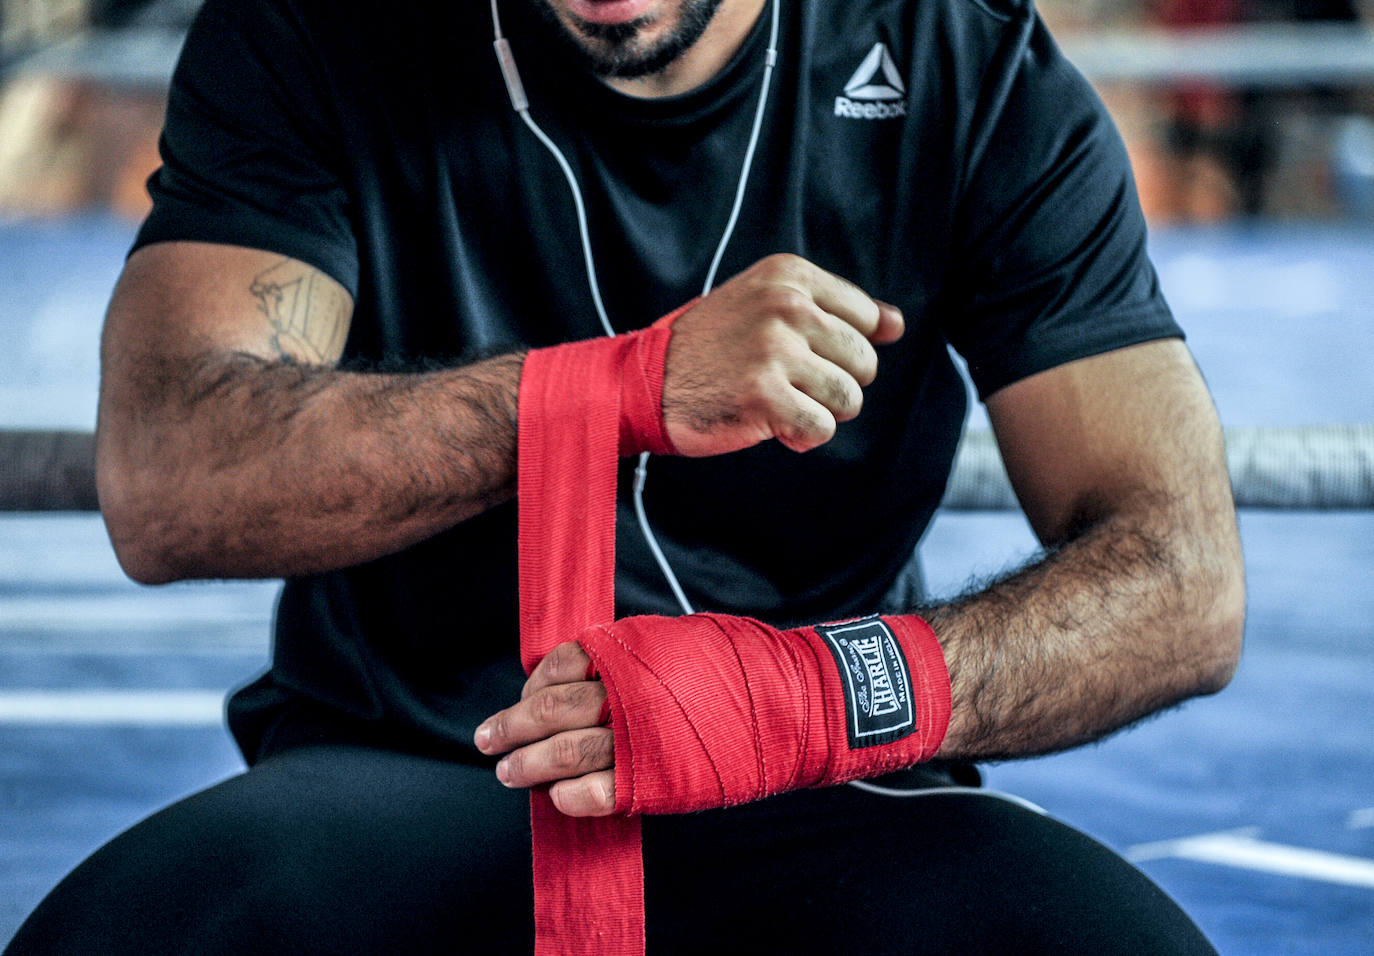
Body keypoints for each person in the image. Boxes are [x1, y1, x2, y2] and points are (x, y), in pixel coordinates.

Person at [6, 0, 1245, 952]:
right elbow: (168, 472)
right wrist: (608, 390)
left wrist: (805, 696)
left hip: (837, 781)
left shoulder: (960, 59)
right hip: (410, 763)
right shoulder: (318, 30)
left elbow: (1183, 575)